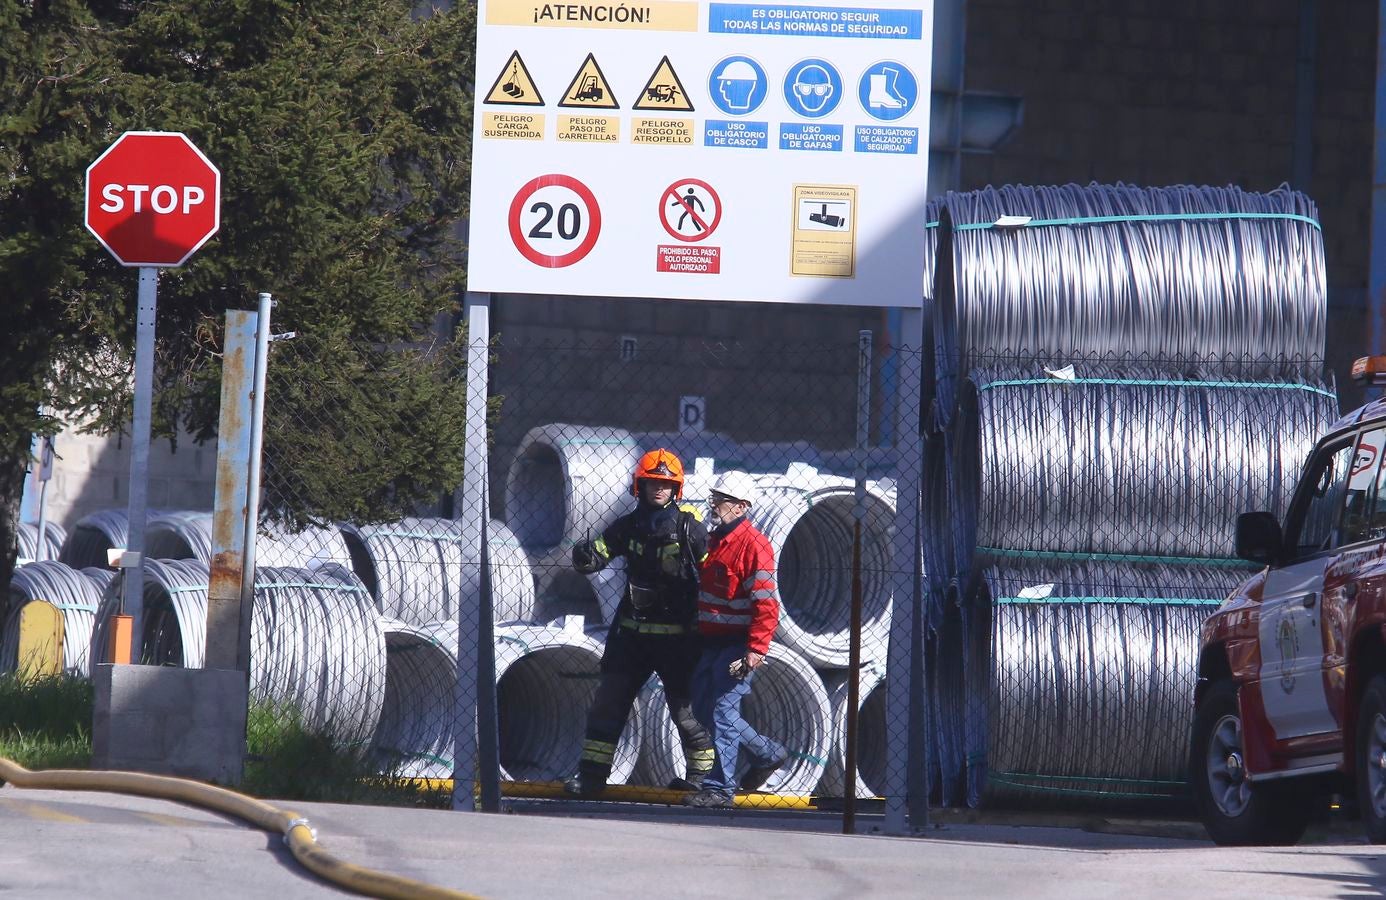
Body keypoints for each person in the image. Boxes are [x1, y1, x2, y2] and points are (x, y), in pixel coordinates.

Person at [564, 448, 716, 797]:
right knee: (608, 705)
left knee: (687, 715)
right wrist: (585, 555)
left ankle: (703, 782)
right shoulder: (628, 525)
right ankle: (591, 778)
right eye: (652, 483)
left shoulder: (689, 528)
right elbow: (600, 552)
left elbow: (714, 575)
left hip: (678, 640)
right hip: (631, 637)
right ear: (640, 486)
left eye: (666, 484)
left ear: (676, 489)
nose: (658, 489)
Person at [684, 470, 789, 809]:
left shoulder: (755, 546)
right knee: (702, 707)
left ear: (741, 506)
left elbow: (766, 603)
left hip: (738, 645)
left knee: (723, 712)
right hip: (711, 642)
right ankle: (768, 754)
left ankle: (720, 789)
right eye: (714, 497)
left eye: (721, 499)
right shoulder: (714, 542)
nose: (714, 504)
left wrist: (755, 650)